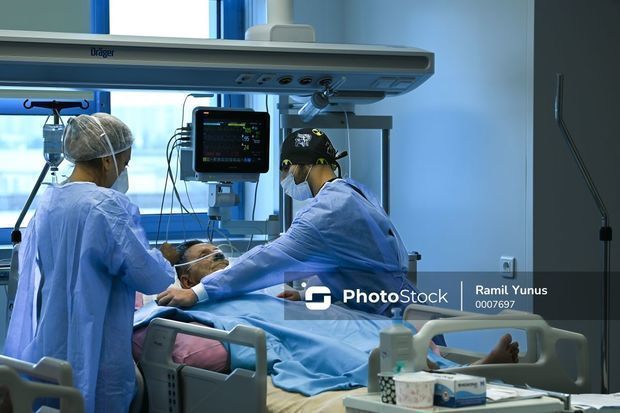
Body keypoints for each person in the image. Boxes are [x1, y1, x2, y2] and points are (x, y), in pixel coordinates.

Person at [3, 113, 176, 413]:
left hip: (51, 342)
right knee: (92, 398)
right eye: (124, 163)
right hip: (98, 349)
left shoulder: (50, 201)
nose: (124, 171)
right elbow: (149, 276)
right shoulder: (107, 206)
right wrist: (166, 260)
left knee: (54, 403)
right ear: (107, 161)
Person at [157, 127, 416, 315]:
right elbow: (352, 268)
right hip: (403, 308)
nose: (285, 178)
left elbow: (264, 262)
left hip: (392, 317)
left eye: (284, 170)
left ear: (298, 166)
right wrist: (305, 295)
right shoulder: (352, 192)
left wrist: (197, 292)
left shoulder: (325, 214)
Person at [162, 240, 520, 367]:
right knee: (336, 349)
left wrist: (304, 298)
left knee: (376, 328)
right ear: (186, 279)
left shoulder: (256, 285)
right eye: (205, 255)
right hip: (299, 337)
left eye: (219, 251)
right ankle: (455, 372)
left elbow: (323, 306)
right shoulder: (195, 303)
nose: (218, 255)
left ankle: (445, 369)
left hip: (326, 322)